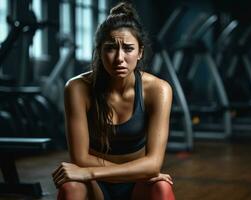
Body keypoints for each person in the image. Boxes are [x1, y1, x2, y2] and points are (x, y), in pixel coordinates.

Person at [52, 2, 175, 200]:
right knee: (71, 188)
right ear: (99, 51)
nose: (119, 58)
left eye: (128, 48)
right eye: (110, 48)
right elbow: (80, 158)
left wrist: (89, 171)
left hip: (135, 183)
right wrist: (140, 170)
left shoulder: (158, 90)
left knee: (161, 188)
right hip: (96, 186)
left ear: (140, 52)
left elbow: (154, 165)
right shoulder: (77, 88)